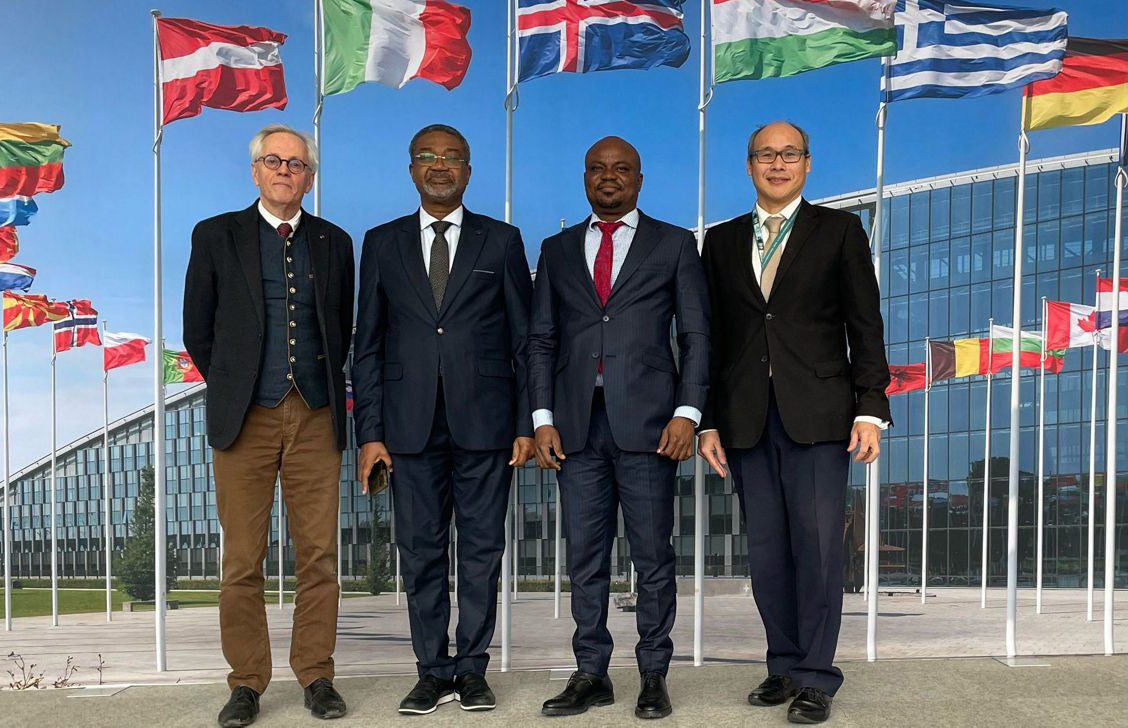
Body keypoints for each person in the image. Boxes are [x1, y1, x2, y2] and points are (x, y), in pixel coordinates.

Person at [698, 121, 890, 725]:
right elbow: (710, 338)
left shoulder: (838, 231)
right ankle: (782, 663)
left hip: (821, 417)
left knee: (817, 550)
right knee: (769, 554)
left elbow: (865, 325)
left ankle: (815, 675)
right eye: (765, 155)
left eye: (789, 154)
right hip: (746, 420)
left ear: (807, 164)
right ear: (749, 165)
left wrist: (870, 407)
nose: (777, 164)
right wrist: (705, 420)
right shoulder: (721, 242)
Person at [353, 124, 534, 715]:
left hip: (487, 425)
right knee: (422, 552)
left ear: (469, 169)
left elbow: (523, 340)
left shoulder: (502, 241)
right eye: (427, 157)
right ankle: (432, 670)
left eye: (452, 157)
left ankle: (473, 669)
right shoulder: (380, 244)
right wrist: (370, 433)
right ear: (410, 168)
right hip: (407, 428)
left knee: (481, 552)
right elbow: (368, 346)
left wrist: (527, 424)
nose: (439, 166)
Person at [529, 136, 709, 720]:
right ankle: (591, 673)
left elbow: (696, 337)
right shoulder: (555, 250)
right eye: (597, 169)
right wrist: (541, 419)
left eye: (621, 169)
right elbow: (541, 340)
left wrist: (688, 413)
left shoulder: (675, 244)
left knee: (653, 556)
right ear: (585, 178)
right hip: (576, 427)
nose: (609, 177)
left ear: (639, 177)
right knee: (585, 556)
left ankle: (653, 674)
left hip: (652, 426)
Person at [183, 123, 355, 726]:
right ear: (255, 170)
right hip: (245, 417)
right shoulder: (215, 235)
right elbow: (197, 329)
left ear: (309, 177)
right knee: (242, 561)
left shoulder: (336, 242)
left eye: (298, 164)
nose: (286, 171)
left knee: (319, 556)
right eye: (275, 161)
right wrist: (236, 386)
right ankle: (247, 682)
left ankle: (316, 674)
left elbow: (342, 329)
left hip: (316, 415)